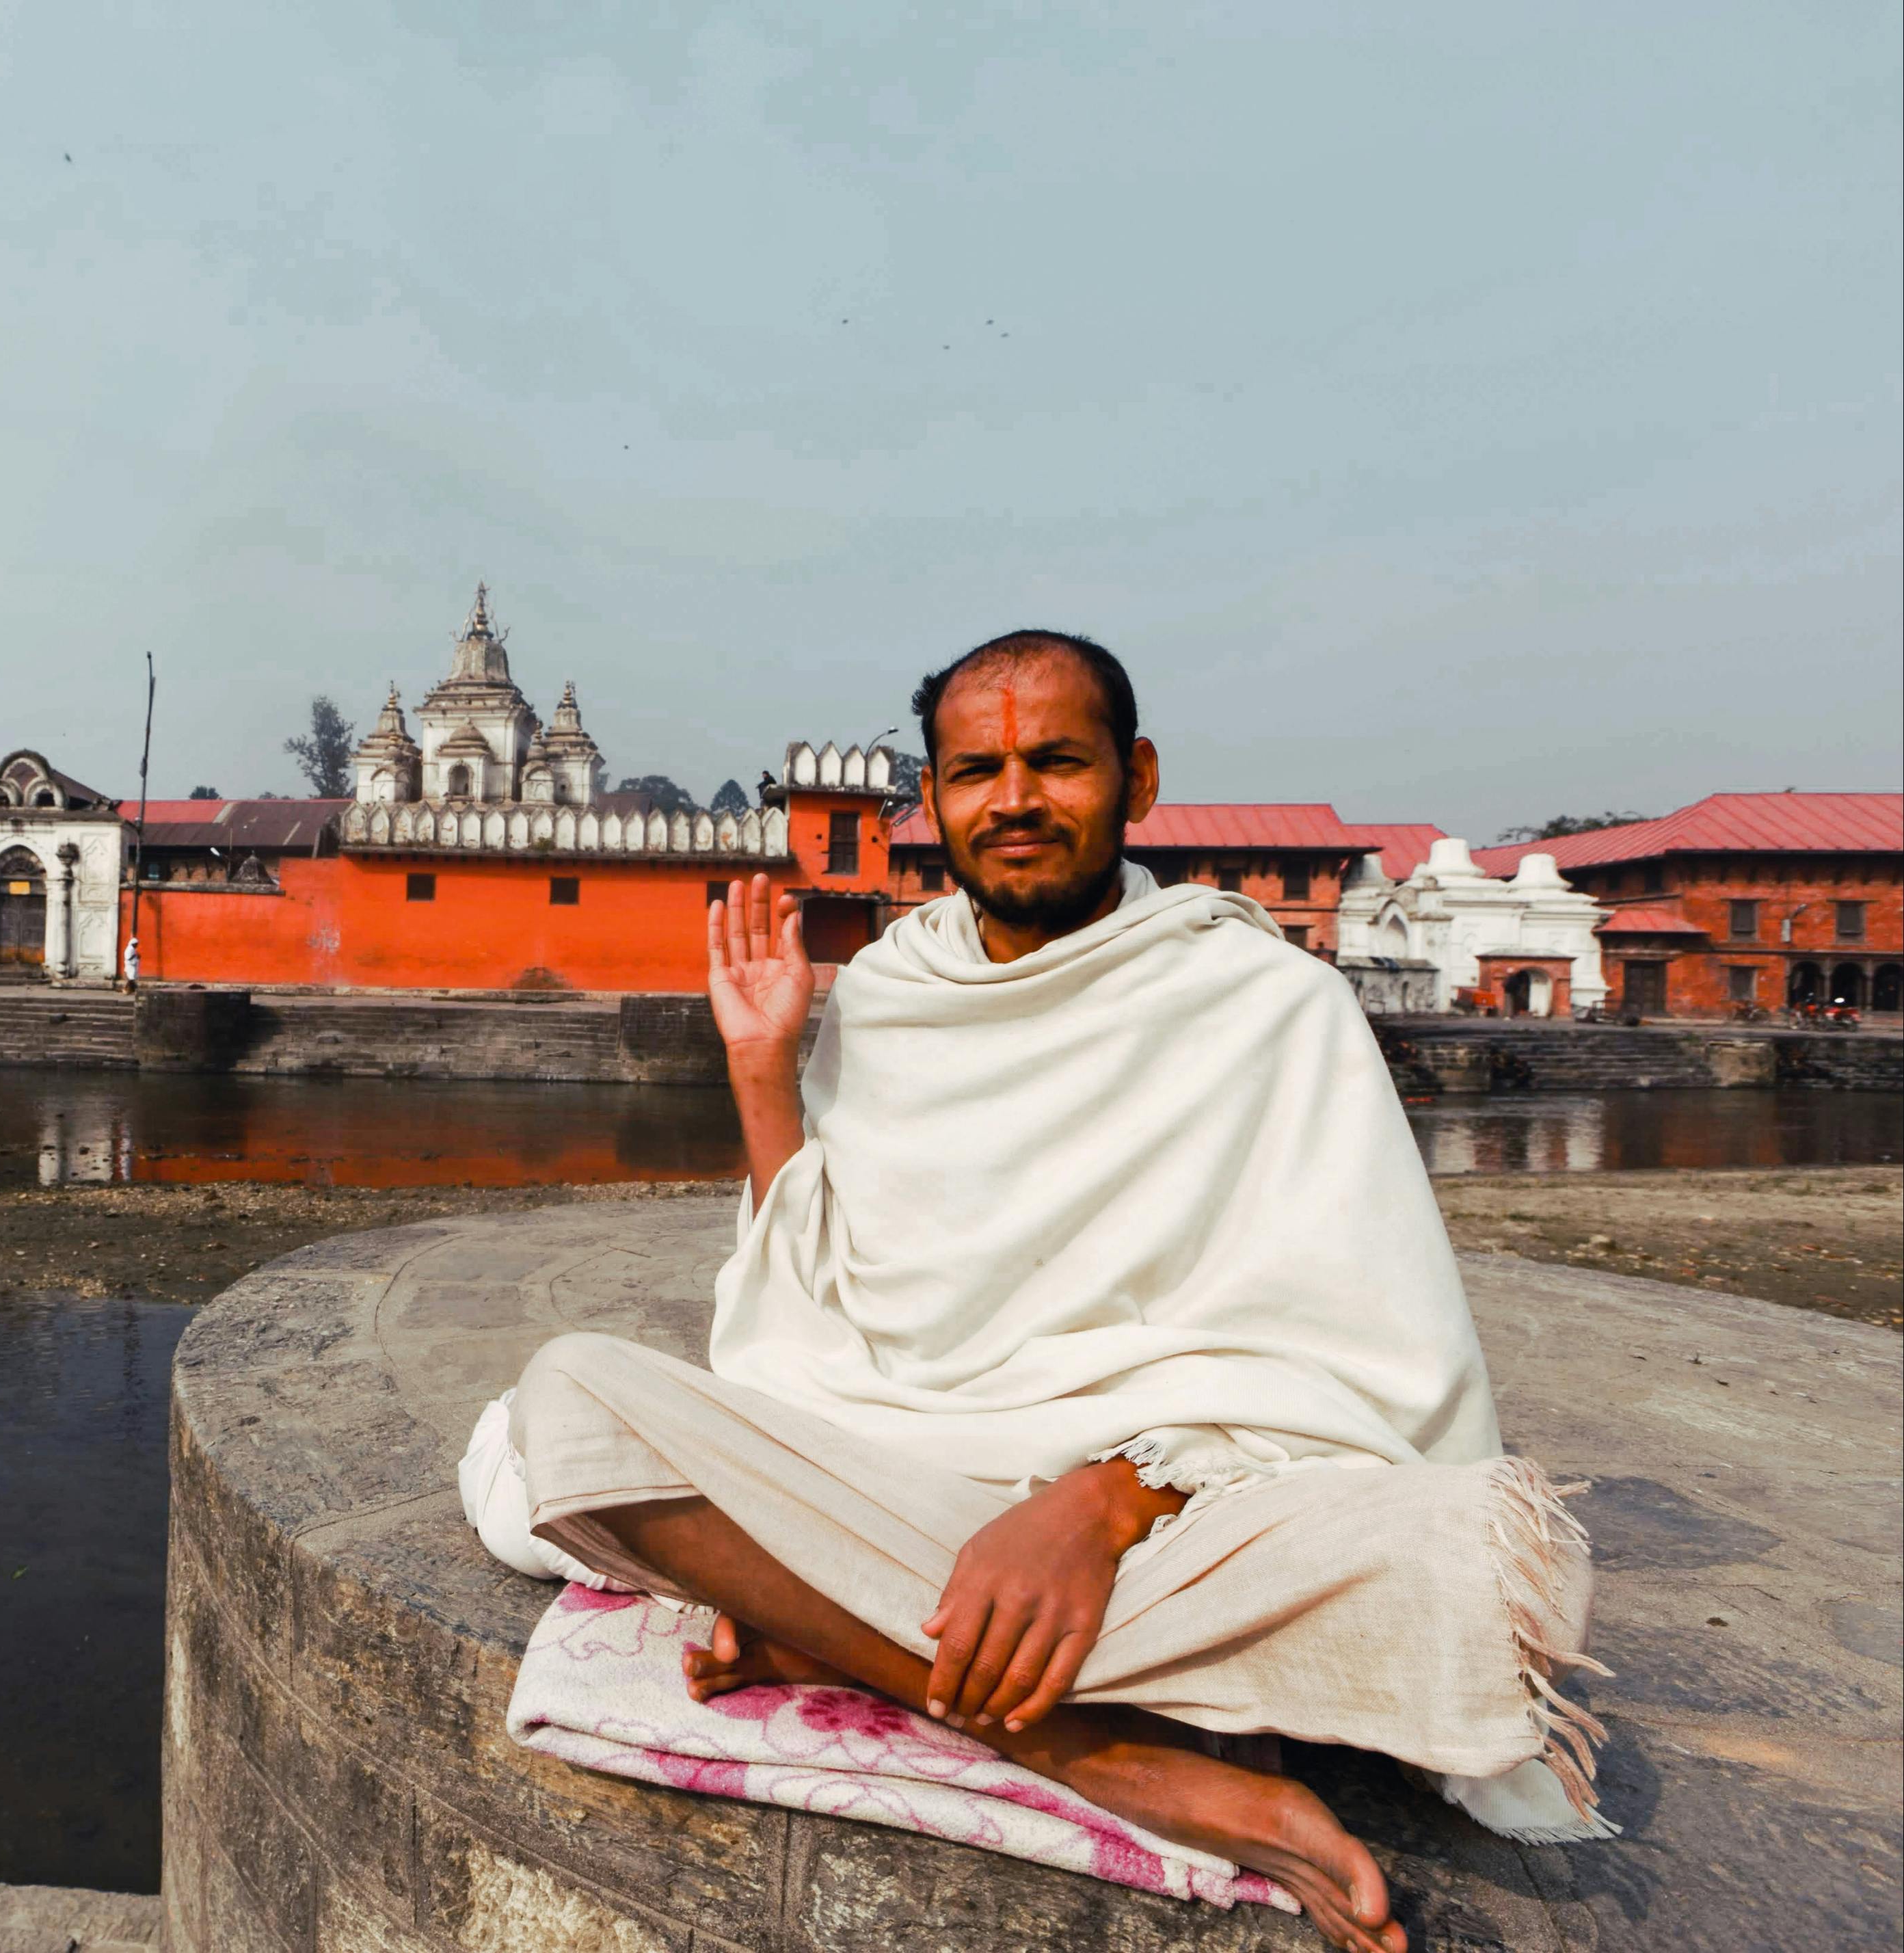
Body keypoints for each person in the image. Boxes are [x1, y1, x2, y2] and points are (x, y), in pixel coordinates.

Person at [466, 631, 1607, 1953]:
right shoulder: (896, 992)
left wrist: (1105, 1501)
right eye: (975, 770)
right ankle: (1103, 1756)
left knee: (1452, 1563)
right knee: (568, 1409)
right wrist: (763, 1066)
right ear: (933, 802)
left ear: (1137, 780)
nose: (1013, 799)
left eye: (1056, 761)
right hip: (910, 1468)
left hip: (1165, 1525)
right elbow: (815, 1310)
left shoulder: (1264, 1005)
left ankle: (839, 1640)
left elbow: (1368, 1368)